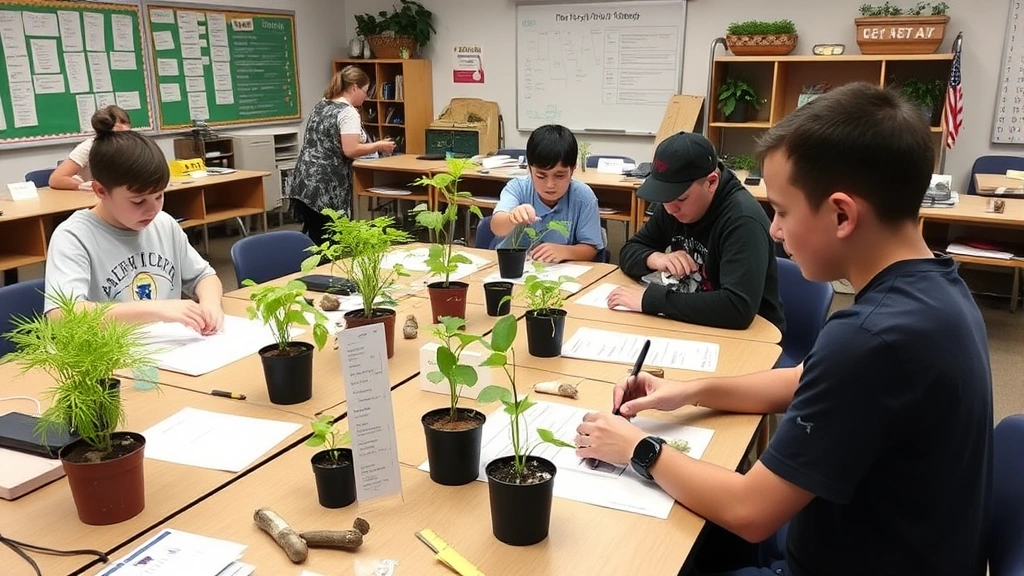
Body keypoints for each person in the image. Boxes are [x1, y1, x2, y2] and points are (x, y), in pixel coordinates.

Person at [575, 83, 992, 576]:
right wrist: (687, 392)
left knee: (634, 552)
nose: (774, 230)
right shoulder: (936, 289)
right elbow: (804, 380)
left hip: (830, 559)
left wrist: (636, 447)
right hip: (872, 538)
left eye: (783, 211)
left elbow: (751, 512)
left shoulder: (870, 340)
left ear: (842, 213)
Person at [44, 107, 224, 335]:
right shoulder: (74, 237)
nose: (153, 209)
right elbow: (62, 316)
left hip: (170, 351)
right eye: (138, 201)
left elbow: (204, 277)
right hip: (110, 357)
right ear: (100, 190)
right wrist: (156, 310)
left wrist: (210, 306)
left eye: (159, 196)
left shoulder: (163, 224)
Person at [610, 132, 784, 332]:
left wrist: (653, 300)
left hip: (751, 337)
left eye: (681, 199)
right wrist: (654, 258)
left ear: (711, 182)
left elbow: (737, 308)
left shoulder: (742, 220)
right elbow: (629, 250)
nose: (669, 209)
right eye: (664, 198)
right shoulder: (672, 206)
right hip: (694, 323)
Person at [288, 65, 396, 245]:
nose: (366, 96)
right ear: (354, 87)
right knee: (328, 239)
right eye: (365, 91)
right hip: (327, 185)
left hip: (305, 181)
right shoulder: (348, 112)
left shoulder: (322, 104)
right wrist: (379, 145)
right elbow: (351, 149)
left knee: (314, 235)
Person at [489, 124, 604, 262]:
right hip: (512, 268)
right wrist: (511, 218)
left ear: (573, 169)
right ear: (529, 169)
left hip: (559, 274)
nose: (550, 185)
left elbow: (590, 249)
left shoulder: (583, 197)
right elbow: (497, 226)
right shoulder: (517, 188)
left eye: (559, 176)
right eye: (541, 176)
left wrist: (565, 251)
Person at [49, 106, 132, 190]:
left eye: (125, 123)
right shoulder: (88, 147)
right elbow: (56, 179)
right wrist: (80, 185)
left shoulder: (135, 145)